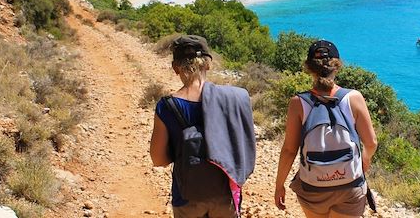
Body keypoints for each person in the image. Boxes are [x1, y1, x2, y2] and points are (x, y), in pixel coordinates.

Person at [149, 35, 256, 217]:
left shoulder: (166, 107)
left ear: (176, 68)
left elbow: (159, 159)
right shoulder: (234, 99)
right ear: (207, 64)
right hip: (225, 195)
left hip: (186, 196)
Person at [274, 40, 379, 218]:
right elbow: (371, 142)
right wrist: (365, 161)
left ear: (308, 68)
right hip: (350, 186)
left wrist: (279, 185)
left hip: (313, 188)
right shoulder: (354, 98)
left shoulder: (298, 103)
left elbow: (289, 150)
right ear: (337, 67)